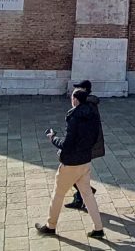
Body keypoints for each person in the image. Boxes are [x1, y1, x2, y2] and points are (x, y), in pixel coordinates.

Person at [35, 87, 104, 239]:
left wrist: (52, 138)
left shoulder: (74, 118)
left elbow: (66, 144)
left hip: (71, 163)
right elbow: (94, 139)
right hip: (85, 161)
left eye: (72, 98)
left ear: (76, 100)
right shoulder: (92, 115)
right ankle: (98, 228)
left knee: (58, 194)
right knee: (87, 196)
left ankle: (50, 226)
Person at [64, 80, 104, 212]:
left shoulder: (88, 106)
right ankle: (80, 197)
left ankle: (86, 194)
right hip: (82, 147)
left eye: (78, 90)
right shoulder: (85, 104)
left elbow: (90, 129)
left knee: (71, 175)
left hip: (82, 147)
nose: (74, 93)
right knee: (78, 175)